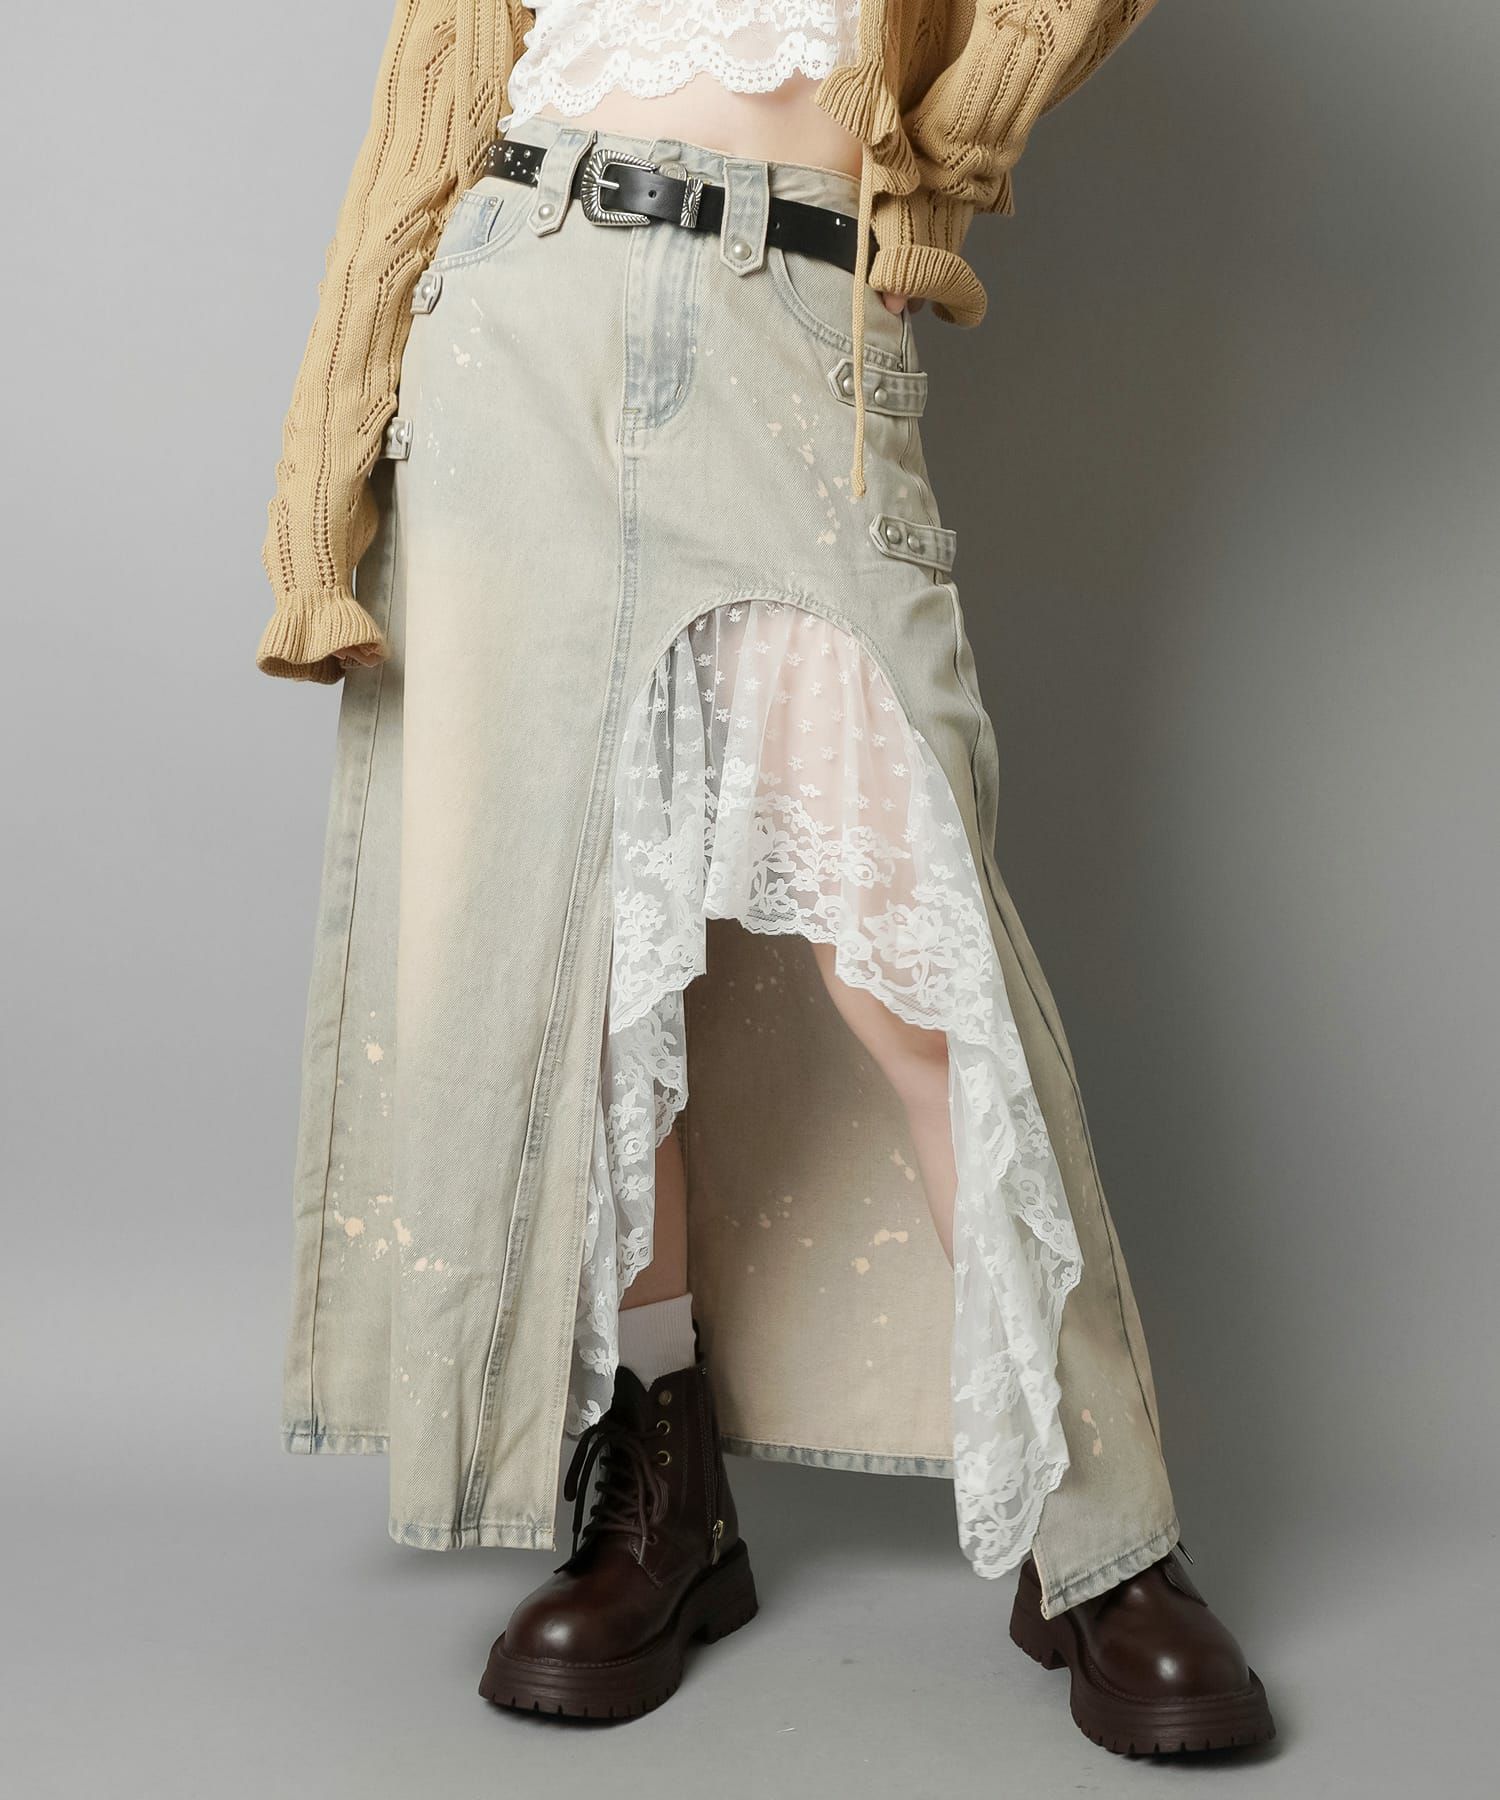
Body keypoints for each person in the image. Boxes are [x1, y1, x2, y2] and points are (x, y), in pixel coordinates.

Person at [255, 0, 1275, 1755]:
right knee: (573, 956)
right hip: (517, 318)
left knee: (919, 965)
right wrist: (318, 495)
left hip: (797, 324)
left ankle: (1102, 1521)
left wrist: (953, 144)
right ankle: (661, 1492)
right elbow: (433, 100)